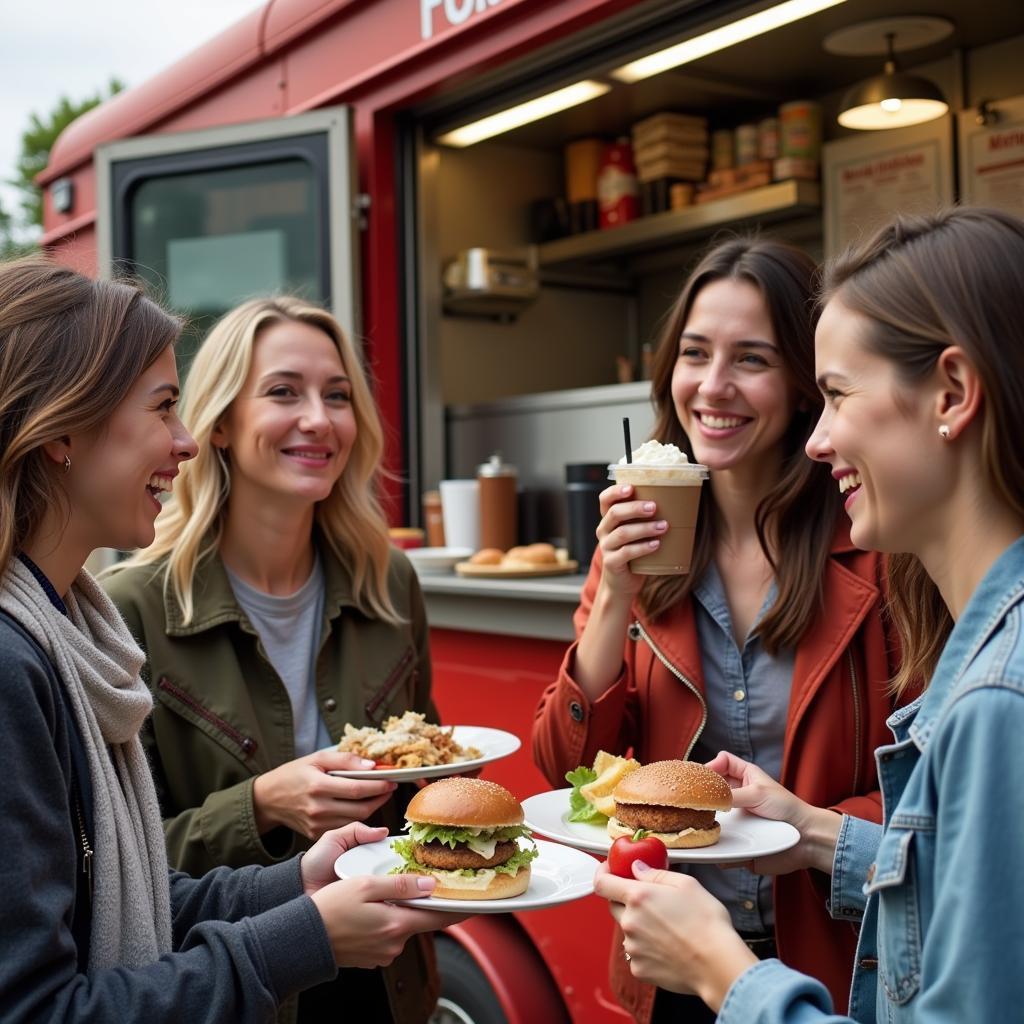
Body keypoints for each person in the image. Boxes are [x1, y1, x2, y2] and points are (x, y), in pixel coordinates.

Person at [594, 206, 1024, 1022]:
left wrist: (724, 972)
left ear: (954, 393)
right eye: (694, 353)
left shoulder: (997, 695)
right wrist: (811, 831)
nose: (819, 440)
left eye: (836, 394)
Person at [0, 257, 459, 1023]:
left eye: (339, 395)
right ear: (63, 428)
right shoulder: (31, 657)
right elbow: (40, 1006)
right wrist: (295, 915)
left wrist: (297, 882)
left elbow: (133, 893)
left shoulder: (77, 631)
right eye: (162, 408)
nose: (180, 443)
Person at [532, 237, 904, 1021]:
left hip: (835, 961)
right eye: (695, 354)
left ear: (808, 388)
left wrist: (807, 832)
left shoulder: (878, 551)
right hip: (675, 957)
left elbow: (925, 791)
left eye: (753, 360)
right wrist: (612, 602)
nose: (714, 385)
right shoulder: (634, 544)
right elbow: (564, 770)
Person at [102, 296, 440, 1023]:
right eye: (284, 392)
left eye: (338, 396)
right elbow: (116, 868)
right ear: (219, 422)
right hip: (232, 986)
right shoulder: (128, 609)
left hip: (385, 977)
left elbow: (433, 779)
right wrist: (259, 806)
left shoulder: (390, 582)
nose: (318, 419)